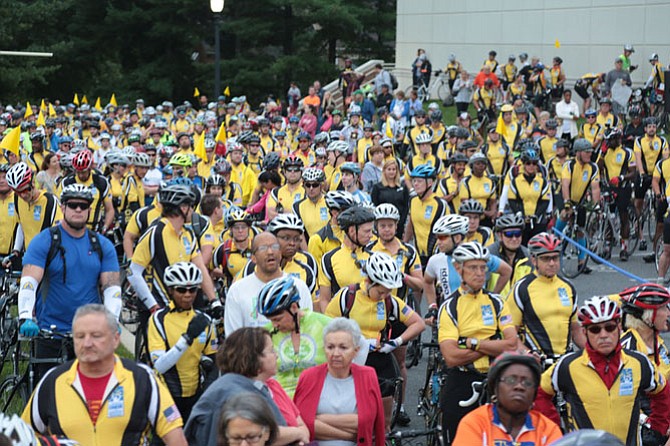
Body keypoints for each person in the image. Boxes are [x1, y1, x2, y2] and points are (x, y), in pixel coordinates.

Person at [22, 304, 188, 446]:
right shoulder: (53, 382)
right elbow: (24, 436)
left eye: (96, 336)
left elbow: (175, 436)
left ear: (116, 339)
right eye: (80, 336)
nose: (87, 343)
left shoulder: (142, 379)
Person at [17, 184, 121, 379]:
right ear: (63, 207)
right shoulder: (45, 241)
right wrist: (25, 315)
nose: (79, 210)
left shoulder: (101, 245)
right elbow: (29, 281)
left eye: (84, 205)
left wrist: (112, 319)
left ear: (90, 210)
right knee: (48, 394)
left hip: (89, 332)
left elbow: (112, 288)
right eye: (73, 205)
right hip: (50, 330)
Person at [536, 296, 670, 445]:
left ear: (619, 327)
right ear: (585, 332)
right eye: (595, 329)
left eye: (609, 327)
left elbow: (662, 391)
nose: (603, 335)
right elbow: (539, 393)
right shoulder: (567, 366)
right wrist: (554, 432)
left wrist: (658, 429)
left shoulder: (639, 363)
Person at [437, 241, 518, 445]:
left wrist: (472, 343)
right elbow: (452, 357)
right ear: (458, 268)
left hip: (495, 380)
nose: (480, 273)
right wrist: (492, 345)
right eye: (473, 267)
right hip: (462, 381)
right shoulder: (449, 307)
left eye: (483, 267)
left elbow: (512, 344)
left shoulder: (497, 302)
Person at [185, 327, 310, 446]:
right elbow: (258, 434)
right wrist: (297, 433)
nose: (276, 355)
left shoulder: (255, 386)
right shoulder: (232, 393)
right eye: (271, 350)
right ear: (253, 357)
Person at [127, 182, 221, 315]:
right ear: (183, 208)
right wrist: (153, 306)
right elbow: (133, 272)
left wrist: (214, 301)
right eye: (191, 207)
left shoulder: (188, 234)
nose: (193, 211)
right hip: (157, 308)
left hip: (181, 307)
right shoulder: (155, 233)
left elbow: (200, 267)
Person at [294, 317, 385, 446]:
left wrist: (320, 419)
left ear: (356, 351)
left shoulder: (367, 376)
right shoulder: (309, 377)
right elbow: (302, 424)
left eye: (343, 347)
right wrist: (350, 435)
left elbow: (370, 422)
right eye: (330, 347)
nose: (336, 353)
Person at [148, 262, 217, 421]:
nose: (188, 294)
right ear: (171, 290)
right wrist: (187, 339)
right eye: (181, 290)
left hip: (196, 395)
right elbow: (160, 365)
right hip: (167, 396)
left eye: (193, 289)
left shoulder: (204, 320)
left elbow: (213, 360)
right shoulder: (158, 319)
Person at [452, 352, 562, 446]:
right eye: (510, 380)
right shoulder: (475, 424)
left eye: (527, 383)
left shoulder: (547, 429)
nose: (519, 386)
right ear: (495, 387)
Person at [508, 232, 585, 360]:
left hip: (564, 361)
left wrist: (594, 353)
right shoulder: (521, 289)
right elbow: (510, 334)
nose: (551, 263)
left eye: (555, 257)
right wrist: (527, 354)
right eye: (545, 258)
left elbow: (575, 330)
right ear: (533, 260)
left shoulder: (568, 287)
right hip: (536, 362)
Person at [224, 232, 312, 336]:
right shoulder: (237, 290)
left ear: (280, 253)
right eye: (263, 248)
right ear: (253, 258)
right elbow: (233, 337)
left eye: (274, 247)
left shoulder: (298, 286)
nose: (270, 252)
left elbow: (307, 327)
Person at [257, 275, 332, 397]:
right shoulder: (265, 334)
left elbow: (359, 346)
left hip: (320, 401)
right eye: (271, 320)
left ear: (294, 307)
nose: (275, 325)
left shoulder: (324, 324)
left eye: (278, 319)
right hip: (281, 404)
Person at [555, 138, 601, 273]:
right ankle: (555, 237)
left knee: (580, 230)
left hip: (579, 200)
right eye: (586, 152)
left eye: (590, 151)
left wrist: (596, 205)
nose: (589, 154)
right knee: (565, 215)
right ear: (578, 153)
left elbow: (595, 188)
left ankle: (581, 263)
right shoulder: (569, 165)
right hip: (564, 195)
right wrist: (567, 202)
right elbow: (565, 184)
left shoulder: (593, 167)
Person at [5, 161, 62, 251]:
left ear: (33, 182)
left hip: (46, 257)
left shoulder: (50, 201)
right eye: (18, 192)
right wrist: (16, 250)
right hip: (28, 256)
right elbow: (22, 224)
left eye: (25, 190)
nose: (22, 195)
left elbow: (59, 233)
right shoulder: (17, 199)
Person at [598, 128, 636, 260]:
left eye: (610, 140)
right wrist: (602, 153)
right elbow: (599, 167)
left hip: (623, 187)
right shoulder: (605, 152)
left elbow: (633, 172)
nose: (608, 142)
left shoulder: (627, 152)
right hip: (609, 187)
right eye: (607, 140)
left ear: (617, 139)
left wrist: (621, 178)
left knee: (623, 216)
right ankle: (608, 246)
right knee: (608, 217)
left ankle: (624, 248)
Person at [620, 283, 670, 379]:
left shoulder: (656, 341)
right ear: (648, 316)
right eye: (664, 308)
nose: (668, 313)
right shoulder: (629, 350)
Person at [403, 164, 447, 269]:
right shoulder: (413, 200)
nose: (415, 184)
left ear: (430, 183)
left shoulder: (440, 204)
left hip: (436, 255)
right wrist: (404, 244)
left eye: (420, 181)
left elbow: (446, 232)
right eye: (414, 181)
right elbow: (411, 224)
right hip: (418, 255)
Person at [60, 149, 115, 232]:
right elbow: (59, 207)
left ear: (90, 169)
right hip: (70, 229)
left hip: (94, 229)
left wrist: (105, 227)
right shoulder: (67, 182)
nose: (80, 175)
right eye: (78, 172)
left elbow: (109, 209)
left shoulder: (101, 182)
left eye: (83, 172)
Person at [370, 158, 410, 238]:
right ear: (384, 171)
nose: (391, 172)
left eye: (393, 169)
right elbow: (375, 205)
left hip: (399, 224)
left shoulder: (402, 187)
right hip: (383, 224)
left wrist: (401, 222)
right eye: (389, 169)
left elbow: (406, 206)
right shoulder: (377, 187)